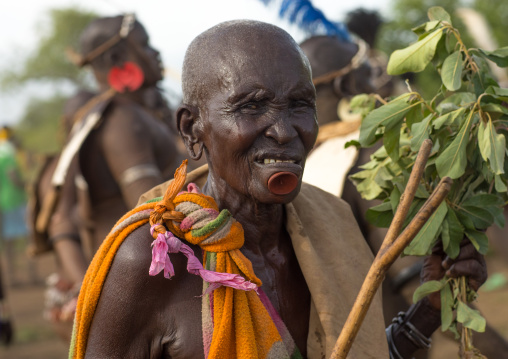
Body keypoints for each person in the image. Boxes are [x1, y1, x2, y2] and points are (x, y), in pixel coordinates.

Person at [70, 20, 487, 359]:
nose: (286, 132)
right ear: (192, 130)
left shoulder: (331, 226)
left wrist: (428, 312)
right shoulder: (153, 259)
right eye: (250, 106)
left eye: (301, 105)